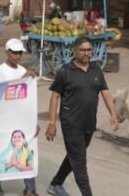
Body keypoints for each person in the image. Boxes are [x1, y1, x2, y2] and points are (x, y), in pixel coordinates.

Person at [46, 36, 119, 196]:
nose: (87, 53)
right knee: (79, 162)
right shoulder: (65, 72)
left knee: (74, 156)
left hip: (89, 123)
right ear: (75, 51)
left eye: (89, 50)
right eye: (83, 50)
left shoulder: (96, 69)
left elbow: (105, 92)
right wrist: (52, 122)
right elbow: (55, 97)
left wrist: (113, 113)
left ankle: (56, 183)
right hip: (71, 123)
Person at [0, 40, 38, 196]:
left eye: (20, 53)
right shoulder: (0, 70)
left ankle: (30, 189)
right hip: (5, 117)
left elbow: (29, 98)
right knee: (4, 151)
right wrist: (24, 77)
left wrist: (34, 121)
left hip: (22, 118)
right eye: (14, 52)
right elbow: (4, 92)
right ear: (7, 52)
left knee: (26, 150)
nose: (17, 56)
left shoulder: (23, 70)